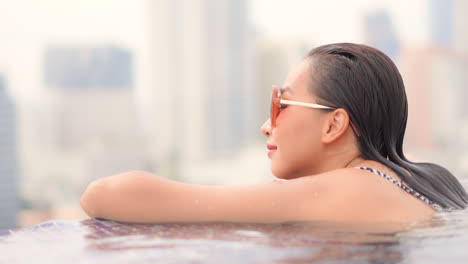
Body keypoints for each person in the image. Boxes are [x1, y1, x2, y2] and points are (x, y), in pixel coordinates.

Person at [80, 43, 468, 223]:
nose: (267, 124)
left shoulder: (347, 188)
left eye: (281, 105)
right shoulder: (433, 178)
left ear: (334, 124)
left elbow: (105, 196)